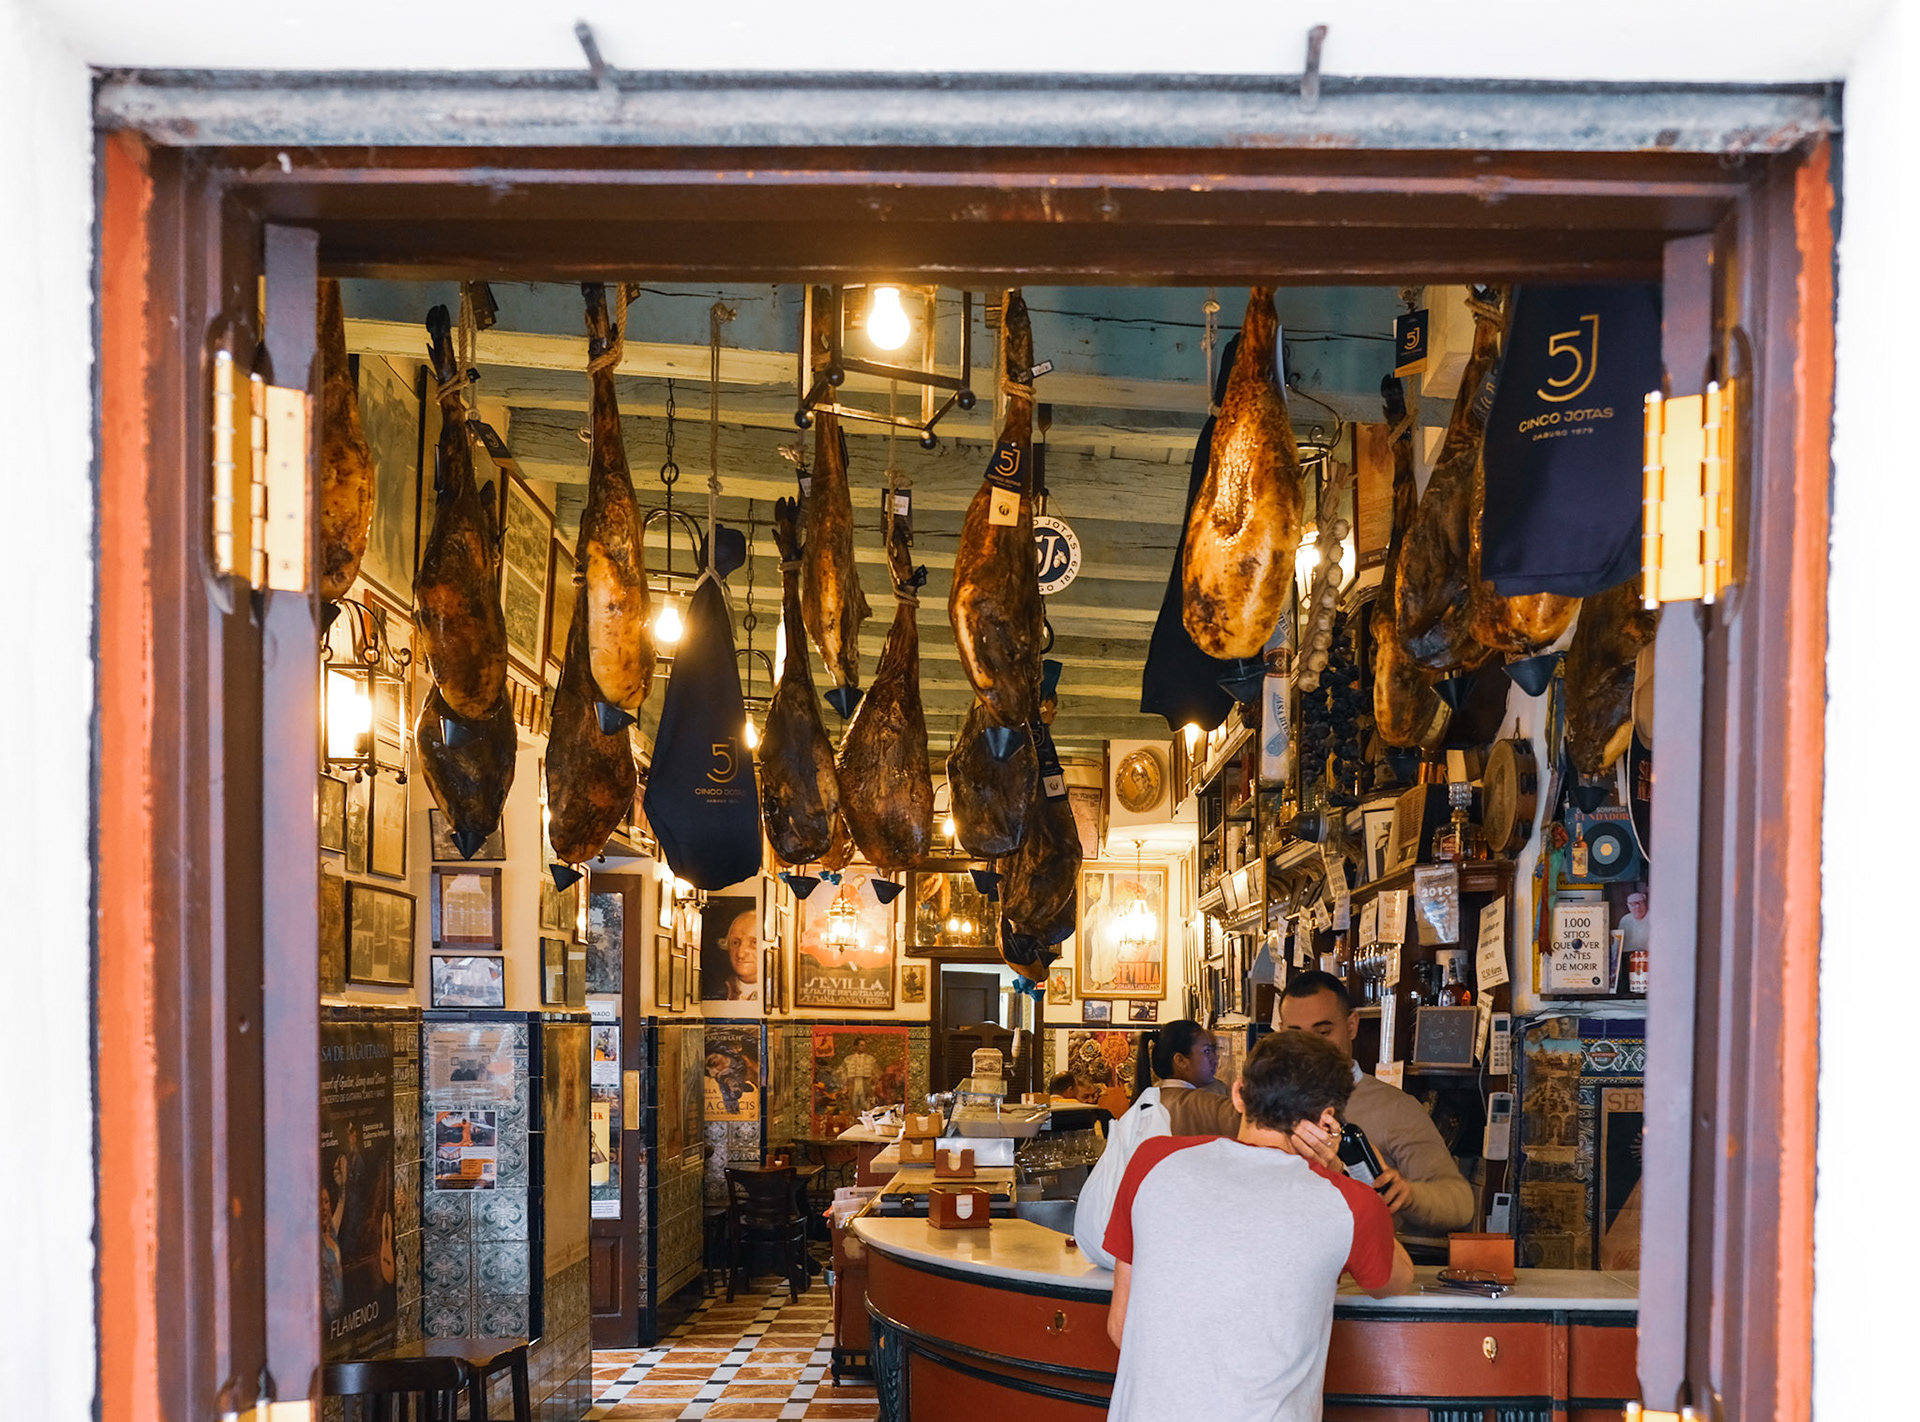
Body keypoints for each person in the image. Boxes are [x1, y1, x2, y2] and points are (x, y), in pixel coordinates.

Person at [1103, 1030, 1413, 1421]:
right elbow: (1396, 1280)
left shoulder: (1152, 1161)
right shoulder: (1349, 1203)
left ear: (1237, 1094)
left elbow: (1120, 1326)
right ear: (1327, 1120)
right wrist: (1339, 1172)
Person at [1276, 970, 1477, 1237]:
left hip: (1369, 1271)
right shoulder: (1269, 1107)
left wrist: (1407, 1194)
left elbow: (1460, 1203)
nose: (1308, 1047)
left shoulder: (1394, 1109)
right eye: (1296, 1035)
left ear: (1351, 1026)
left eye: (1323, 1032)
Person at [1071, 1020, 1218, 1269]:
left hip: (1117, 1251)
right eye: (1206, 1051)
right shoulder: (1202, 1106)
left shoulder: (1146, 1105)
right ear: (1181, 1060)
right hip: (1151, 1256)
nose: (1214, 1059)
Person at [840, 1037, 878, 1114]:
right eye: (861, 1045)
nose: (863, 1047)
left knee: (865, 1103)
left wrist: (873, 1084)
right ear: (856, 1046)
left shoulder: (870, 1059)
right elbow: (842, 1071)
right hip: (853, 1084)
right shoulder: (848, 1059)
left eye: (864, 1045)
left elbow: (876, 1073)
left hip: (865, 1083)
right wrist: (845, 1083)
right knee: (853, 1103)